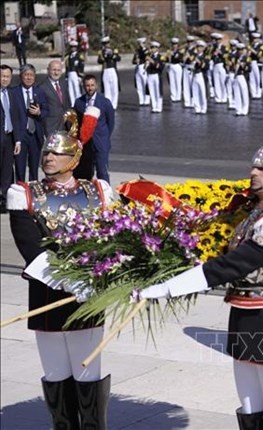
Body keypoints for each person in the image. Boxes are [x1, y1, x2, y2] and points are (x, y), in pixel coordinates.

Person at [138, 111, 263, 429]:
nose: (254, 172)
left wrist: (168, 287)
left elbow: (232, 265)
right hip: (245, 321)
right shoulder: (256, 214)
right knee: (249, 413)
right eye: (254, 166)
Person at [7, 114, 114, 428]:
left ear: (74, 157)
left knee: (87, 372)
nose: (48, 157)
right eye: (46, 153)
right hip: (47, 291)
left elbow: (112, 238)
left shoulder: (99, 191)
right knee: (56, 372)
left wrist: (98, 277)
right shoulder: (24, 193)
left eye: (56, 153)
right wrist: (68, 281)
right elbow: (30, 248)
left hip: (89, 293)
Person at [73, 75, 115, 183]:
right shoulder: (78, 102)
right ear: (83, 86)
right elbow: (76, 122)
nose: (90, 88)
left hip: (100, 142)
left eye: (92, 85)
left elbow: (110, 123)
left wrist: (104, 137)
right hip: (85, 145)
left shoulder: (105, 102)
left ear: (96, 85)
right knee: (85, 172)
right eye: (87, 85)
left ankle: (105, 196)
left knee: (102, 171)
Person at [10, 64, 48, 182]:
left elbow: (46, 110)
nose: (29, 78)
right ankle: (21, 192)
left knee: (34, 167)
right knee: (20, 168)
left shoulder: (39, 91)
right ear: (21, 76)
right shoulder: (14, 92)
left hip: (35, 134)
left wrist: (39, 112)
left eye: (31, 75)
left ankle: (33, 193)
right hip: (20, 135)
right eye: (26, 75)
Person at [1, 65, 20, 213]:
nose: (5, 79)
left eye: (7, 76)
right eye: (2, 76)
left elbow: (16, 118)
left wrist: (17, 140)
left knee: (8, 170)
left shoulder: (12, 93)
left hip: (9, 138)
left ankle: (6, 200)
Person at [39, 59, 71, 137]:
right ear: (48, 70)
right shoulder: (42, 87)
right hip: (50, 127)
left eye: (58, 70)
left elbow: (67, 104)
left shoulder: (64, 84)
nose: (56, 73)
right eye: (54, 70)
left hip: (65, 126)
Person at [97, 36, 121, 110]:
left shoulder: (114, 50)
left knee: (114, 88)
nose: (106, 45)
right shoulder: (101, 52)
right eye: (105, 44)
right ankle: (108, 104)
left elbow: (118, 58)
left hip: (112, 69)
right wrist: (105, 55)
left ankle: (114, 104)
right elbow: (99, 61)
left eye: (107, 43)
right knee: (107, 89)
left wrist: (112, 55)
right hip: (105, 70)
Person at [64, 40, 85, 106]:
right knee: (70, 90)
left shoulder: (79, 56)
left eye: (74, 47)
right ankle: (73, 104)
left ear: (76, 47)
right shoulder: (68, 56)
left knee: (77, 89)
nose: (73, 48)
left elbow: (81, 66)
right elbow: (67, 66)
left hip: (76, 73)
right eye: (72, 47)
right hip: (70, 73)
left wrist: (80, 76)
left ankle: (79, 104)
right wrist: (66, 76)